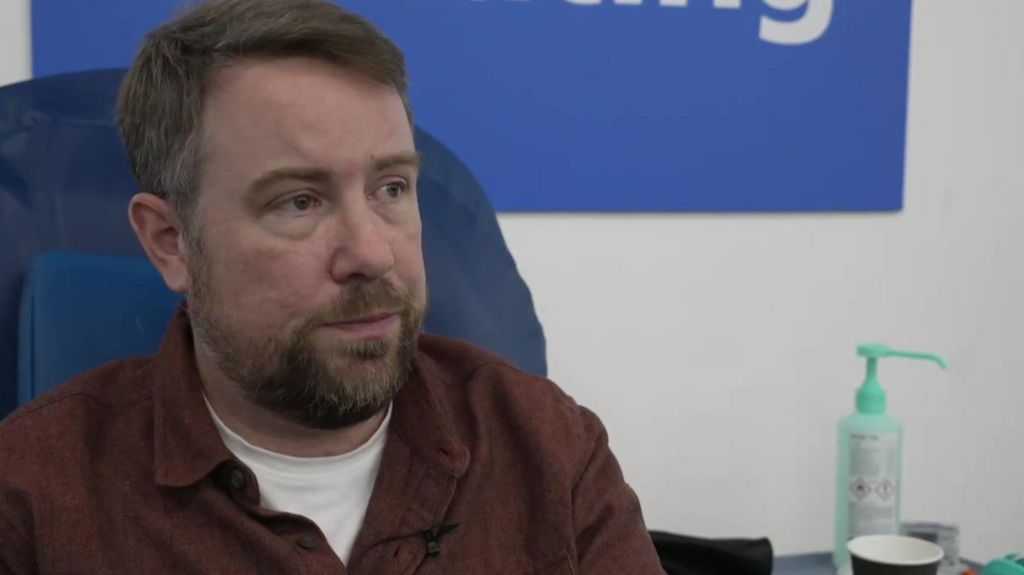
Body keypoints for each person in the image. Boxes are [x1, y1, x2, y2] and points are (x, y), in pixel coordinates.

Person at [0, 0, 662, 572]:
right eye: (298, 201)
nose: (372, 253)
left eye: (391, 188)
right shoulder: (32, 495)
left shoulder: (549, 450)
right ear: (170, 242)